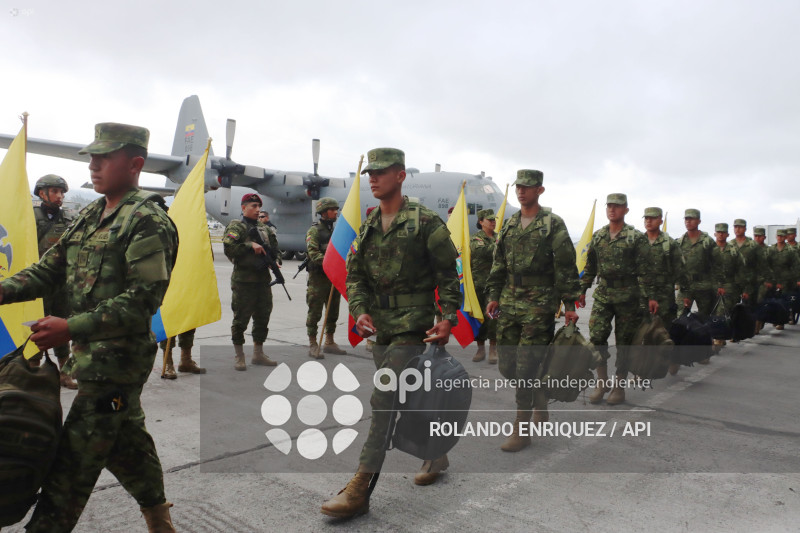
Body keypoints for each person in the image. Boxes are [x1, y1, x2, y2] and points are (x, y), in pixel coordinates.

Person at [0, 123, 178, 531]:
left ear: (135, 164)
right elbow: (48, 270)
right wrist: (2, 290)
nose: (93, 166)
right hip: (88, 360)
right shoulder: (90, 216)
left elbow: (143, 300)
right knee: (126, 443)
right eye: (92, 158)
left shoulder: (147, 220)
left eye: (105, 158)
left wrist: (70, 327)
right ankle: (159, 519)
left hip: (118, 367)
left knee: (73, 465)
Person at [321, 147, 460, 519]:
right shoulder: (368, 225)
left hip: (414, 328)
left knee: (383, 399)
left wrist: (448, 318)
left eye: (381, 172)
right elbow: (355, 275)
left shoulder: (425, 222)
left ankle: (359, 489)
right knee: (409, 398)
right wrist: (359, 309)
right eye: (370, 173)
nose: (373, 178)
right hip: (381, 329)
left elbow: (449, 275)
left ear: (400, 175)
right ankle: (436, 453)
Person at [485, 170, 580, 451]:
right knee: (507, 366)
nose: (521, 191)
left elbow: (566, 266)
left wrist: (570, 305)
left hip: (539, 304)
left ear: (540, 190)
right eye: (519, 186)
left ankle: (521, 428)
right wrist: (493, 296)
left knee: (526, 366)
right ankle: (539, 394)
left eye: (527, 187)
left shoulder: (552, 223)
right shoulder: (510, 224)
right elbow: (498, 264)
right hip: (509, 301)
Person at [579, 193, 651, 406]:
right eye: (609, 206)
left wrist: (647, 299)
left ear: (626, 210)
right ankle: (602, 383)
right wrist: (582, 289)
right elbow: (590, 267)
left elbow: (645, 272)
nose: (612, 209)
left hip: (628, 296)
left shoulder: (635, 237)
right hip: (603, 294)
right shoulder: (599, 236)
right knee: (597, 337)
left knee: (624, 342)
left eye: (617, 206)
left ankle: (619, 386)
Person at [223, 193, 280, 370]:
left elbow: (275, 249)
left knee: (263, 317)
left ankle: (258, 353)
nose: (257, 210)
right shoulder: (237, 226)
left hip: (262, 281)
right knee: (240, 319)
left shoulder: (265, 229)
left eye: (259, 207)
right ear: (243, 208)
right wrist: (250, 245)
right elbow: (229, 248)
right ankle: (239, 356)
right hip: (243, 282)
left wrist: (275, 261)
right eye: (253, 206)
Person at [32, 174, 77, 389]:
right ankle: (32, 371)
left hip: (61, 282)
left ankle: (64, 373)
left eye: (62, 192)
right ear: (42, 193)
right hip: (36, 281)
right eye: (55, 191)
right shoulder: (30, 218)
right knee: (35, 326)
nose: (60, 196)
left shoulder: (69, 220)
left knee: (61, 324)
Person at [640, 207, 684, 375]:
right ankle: (644, 369)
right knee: (644, 331)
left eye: (652, 218)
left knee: (666, 330)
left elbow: (680, 270)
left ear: (660, 220)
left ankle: (673, 358)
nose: (648, 221)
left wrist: (685, 293)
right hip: (642, 294)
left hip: (664, 295)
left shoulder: (669, 244)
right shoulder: (638, 241)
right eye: (646, 218)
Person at [305, 197, 346, 358]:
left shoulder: (335, 232)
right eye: (332, 209)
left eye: (336, 209)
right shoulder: (314, 231)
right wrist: (331, 262)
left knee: (333, 311)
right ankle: (313, 343)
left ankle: (329, 341)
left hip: (333, 278)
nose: (336, 212)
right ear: (323, 212)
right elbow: (313, 253)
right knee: (315, 312)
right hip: (318, 279)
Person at [710, 223, 746, 351]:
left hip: (729, 286)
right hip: (711, 285)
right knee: (710, 312)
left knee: (721, 312)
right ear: (715, 234)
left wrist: (742, 288)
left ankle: (718, 339)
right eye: (718, 232)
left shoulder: (733, 251)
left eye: (723, 232)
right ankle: (718, 335)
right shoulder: (709, 249)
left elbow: (741, 270)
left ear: (727, 234)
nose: (720, 234)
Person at [676, 209, 717, 318]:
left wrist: (717, 286)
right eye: (686, 219)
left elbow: (716, 265)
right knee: (680, 318)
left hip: (704, 286)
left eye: (692, 219)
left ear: (699, 221)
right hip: (685, 287)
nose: (688, 221)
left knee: (705, 318)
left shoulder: (708, 241)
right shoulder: (679, 242)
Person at [469, 208, 498, 363]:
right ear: (481, 222)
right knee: (478, 317)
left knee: (494, 317)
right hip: (478, 285)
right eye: (489, 220)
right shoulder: (475, 239)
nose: (493, 222)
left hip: (495, 285)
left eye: (494, 220)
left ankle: (493, 348)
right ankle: (480, 349)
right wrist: (499, 245)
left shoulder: (499, 238)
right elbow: (482, 252)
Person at [769, 229, 800, 330]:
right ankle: (774, 318)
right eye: (778, 236)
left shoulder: (791, 250)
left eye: (782, 236)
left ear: (785, 237)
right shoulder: (771, 249)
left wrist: (797, 279)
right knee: (773, 299)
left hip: (787, 280)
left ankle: (781, 321)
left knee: (784, 300)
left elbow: (796, 266)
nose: (780, 238)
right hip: (773, 279)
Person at [730, 219, 759, 312]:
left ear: (745, 229)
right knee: (732, 309)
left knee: (749, 310)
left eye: (740, 227)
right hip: (734, 282)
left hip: (749, 282)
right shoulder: (730, 245)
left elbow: (760, 264)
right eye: (736, 227)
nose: (737, 229)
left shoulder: (753, 245)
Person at [752, 227, 773, 334]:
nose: (757, 238)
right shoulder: (750, 249)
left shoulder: (768, 250)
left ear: (764, 237)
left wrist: (769, 280)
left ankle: (758, 323)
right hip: (751, 280)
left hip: (763, 280)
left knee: (759, 301)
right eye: (755, 236)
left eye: (759, 236)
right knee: (749, 303)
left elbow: (773, 266)